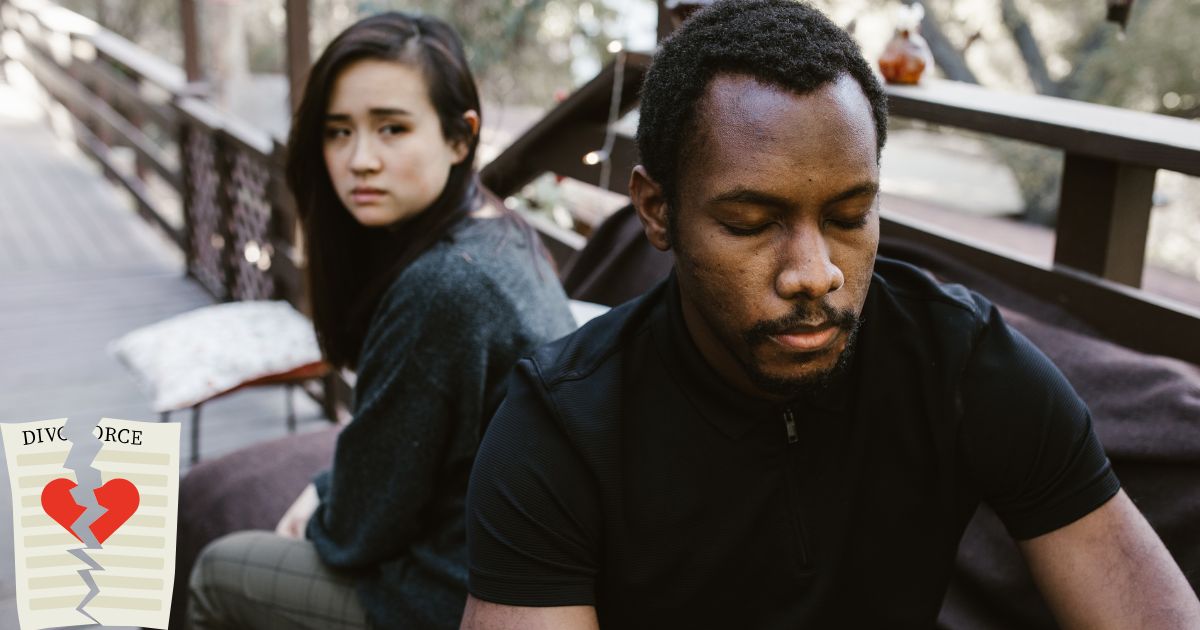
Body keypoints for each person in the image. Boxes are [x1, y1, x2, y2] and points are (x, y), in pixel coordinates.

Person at [461, 1, 1200, 628]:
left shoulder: (961, 359)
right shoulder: (560, 429)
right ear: (657, 210)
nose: (816, 274)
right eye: (751, 223)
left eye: (849, 216)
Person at [186, 12, 576, 630]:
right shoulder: (499, 232)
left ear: (460, 138)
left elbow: (357, 531)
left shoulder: (443, 287)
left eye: (392, 128)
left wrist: (323, 506)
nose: (359, 159)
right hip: (509, 554)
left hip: (463, 592)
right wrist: (327, 489)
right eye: (338, 132)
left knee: (219, 569)